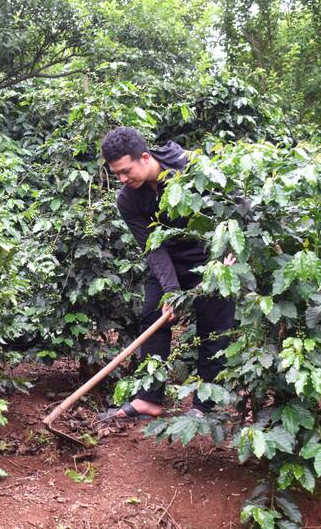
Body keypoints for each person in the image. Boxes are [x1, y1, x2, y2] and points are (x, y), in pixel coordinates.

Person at [99, 127, 235, 420]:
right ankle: (149, 399)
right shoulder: (127, 200)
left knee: (213, 326)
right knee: (152, 314)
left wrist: (229, 247)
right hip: (170, 260)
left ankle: (204, 406)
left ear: (145, 157)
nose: (122, 180)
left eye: (126, 171)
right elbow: (153, 248)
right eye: (116, 174)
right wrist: (172, 292)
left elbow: (233, 201)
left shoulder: (192, 166)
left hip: (210, 257)